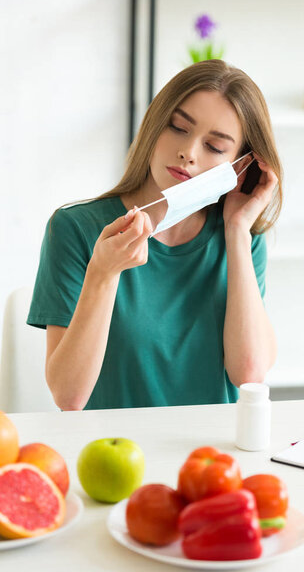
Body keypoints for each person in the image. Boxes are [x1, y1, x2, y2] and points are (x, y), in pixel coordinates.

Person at [27, 59, 283, 411]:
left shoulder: (242, 238)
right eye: (178, 127)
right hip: (111, 456)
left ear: (240, 165)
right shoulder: (75, 229)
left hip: (213, 458)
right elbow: (68, 397)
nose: (188, 153)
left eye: (215, 147)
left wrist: (237, 232)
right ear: (155, 123)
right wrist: (103, 273)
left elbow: (250, 376)